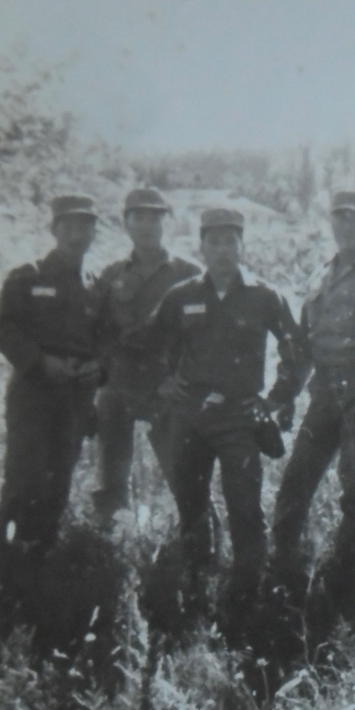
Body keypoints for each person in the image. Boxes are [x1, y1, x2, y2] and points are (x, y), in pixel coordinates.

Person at [148, 208, 309, 644]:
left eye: (230, 241)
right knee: (192, 507)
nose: (222, 250)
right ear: (201, 246)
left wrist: (276, 398)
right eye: (214, 241)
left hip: (240, 418)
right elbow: (152, 343)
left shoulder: (264, 296)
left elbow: (296, 349)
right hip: (190, 417)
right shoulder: (182, 295)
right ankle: (197, 592)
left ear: (242, 245)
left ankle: (245, 600)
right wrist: (165, 383)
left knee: (244, 509)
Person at [269, 190, 355, 632]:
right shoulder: (320, 277)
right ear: (331, 223)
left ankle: (348, 583)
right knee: (295, 483)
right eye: (341, 219)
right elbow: (305, 346)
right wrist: (286, 394)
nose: (348, 227)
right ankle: (284, 574)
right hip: (324, 397)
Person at [0, 195, 102, 553]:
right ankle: (7, 555)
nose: (77, 234)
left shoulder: (96, 285)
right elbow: (3, 328)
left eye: (86, 226)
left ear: (94, 233)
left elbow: (107, 339)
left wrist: (98, 367)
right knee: (25, 474)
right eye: (69, 225)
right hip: (33, 391)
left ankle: (42, 554)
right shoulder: (27, 277)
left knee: (60, 476)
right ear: (54, 230)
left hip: (75, 395)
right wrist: (40, 361)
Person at [91, 186, 201, 522]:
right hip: (121, 384)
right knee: (111, 477)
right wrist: (104, 374)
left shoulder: (189, 273)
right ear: (126, 224)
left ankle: (197, 537)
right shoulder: (111, 275)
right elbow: (97, 331)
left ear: (168, 222)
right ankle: (110, 535)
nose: (147, 225)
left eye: (155, 218)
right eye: (139, 217)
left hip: (167, 385)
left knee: (184, 473)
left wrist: (180, 379)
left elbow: (204, 337)